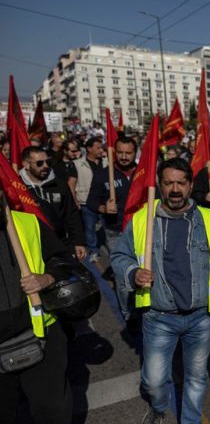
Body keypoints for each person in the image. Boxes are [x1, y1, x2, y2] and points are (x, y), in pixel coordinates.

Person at [111, 157, 210, 424]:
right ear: (159, 185)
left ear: (190, 185)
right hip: (159, 317)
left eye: (181, 183)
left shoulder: (209, 218)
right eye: (168, 183)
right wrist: (133, 273)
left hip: (201, 317)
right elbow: (119, 257)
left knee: (196, 377)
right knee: (155, 380)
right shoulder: (143, 219)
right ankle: (158, 407)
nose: (174, 189)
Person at [0, 195, 74, 424]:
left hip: (40, 334)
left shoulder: (27, 223)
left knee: (53, 410)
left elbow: (63, 259)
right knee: (2, 419)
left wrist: (47, 278)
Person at [87, 137, 136, 322]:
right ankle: (128, 314)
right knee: (123, 276)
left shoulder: (142, 171)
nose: (124, 157)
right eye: (120, 152)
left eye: (128, 153)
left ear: (134, 153)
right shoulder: (103, 174)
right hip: (116, 232)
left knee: (143, 272)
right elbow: (91, 201)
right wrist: (103, 209)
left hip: (142, 231)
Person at [20, 146, 86, 261]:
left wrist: (78, 242)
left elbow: (71, 214)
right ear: (26, 164)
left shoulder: (59, 184)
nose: (45, 166)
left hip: (59, 242)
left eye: (48, 162)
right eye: (40, 163)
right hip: (30, 246)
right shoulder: (18, 188)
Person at [73, 137, 105, 261]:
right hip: (86, 200)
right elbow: (72, 183)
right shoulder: (78, 164)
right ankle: (93, 250)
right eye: (97, 148)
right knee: (89, 227)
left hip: (103, 200)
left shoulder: (106, 162)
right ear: (89, 148)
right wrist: (75, 200)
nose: (100, 150)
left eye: (101, 147)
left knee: (106, 228)